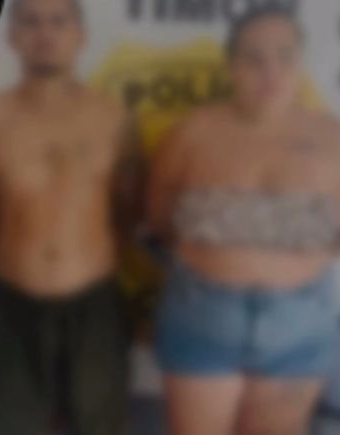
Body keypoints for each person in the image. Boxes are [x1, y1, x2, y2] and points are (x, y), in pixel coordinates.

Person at [148, 6, 340, 435]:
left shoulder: (334, 138)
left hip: (299, 320)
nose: (270, 72)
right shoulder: (191, 133)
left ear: (301, 61)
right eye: (254, 59)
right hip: (202, 314)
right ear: (232, 65)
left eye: (284, 56)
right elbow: (160, 216)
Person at [0, 0, 140, 434]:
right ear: (13, 36)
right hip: (15, 305)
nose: (46, 33)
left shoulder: (113, 116)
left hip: (96, 306)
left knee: (103, 427)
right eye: (32, 22)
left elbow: (128, 208)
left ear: (80, 35)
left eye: (59, 21)